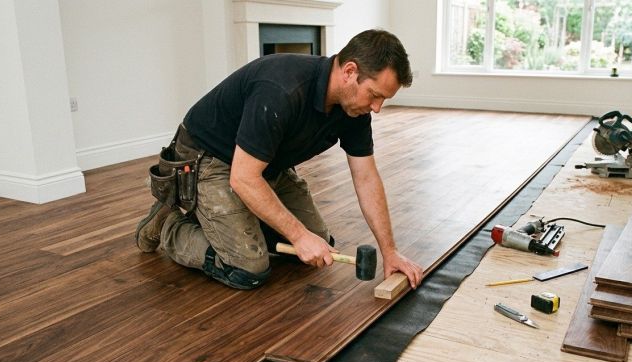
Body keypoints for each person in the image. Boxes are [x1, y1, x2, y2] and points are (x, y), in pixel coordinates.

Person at [135, 29, 424, 290]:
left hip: (262, 165)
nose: (377, 108)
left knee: (321, 245)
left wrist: (389, 251)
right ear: (349, 71)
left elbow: (366, 177)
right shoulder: (282, 89)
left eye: (383, 99)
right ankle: (170, 223)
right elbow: (243, 177)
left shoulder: (353, 108)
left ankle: (229, 220)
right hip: (208, 159)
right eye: (374, 95)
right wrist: (298, 236)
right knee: (248, 268)